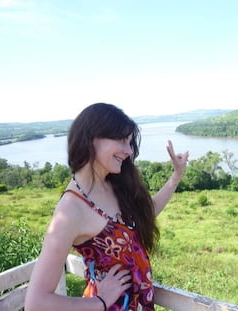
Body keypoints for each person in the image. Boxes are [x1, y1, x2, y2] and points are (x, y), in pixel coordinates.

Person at [25, 103, 189, 311]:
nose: (129, 151)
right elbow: (36, 303)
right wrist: (99, 301)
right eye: (122, 140)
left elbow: (146, 214)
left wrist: (176, 177)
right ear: (92, 138)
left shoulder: (114, 184)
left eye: (130, 142)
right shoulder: (70, 211)